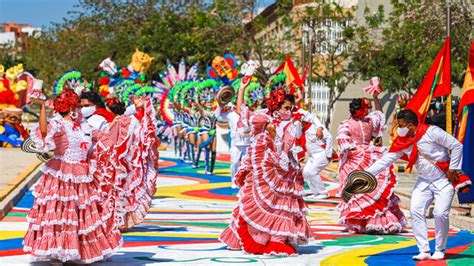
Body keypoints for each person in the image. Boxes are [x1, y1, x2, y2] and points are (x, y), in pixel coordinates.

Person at [24, 90, 122, 263]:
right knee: (61, 215)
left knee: (80, 216)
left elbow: (103, 138)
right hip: (61, 174)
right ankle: (57, 251)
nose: (79, 110)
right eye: (76, 106)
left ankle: (77, 251)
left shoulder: (84, 125)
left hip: (82, 175)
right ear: (69, 108)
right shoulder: (58, 124)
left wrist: (120, 122)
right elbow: (44, 131)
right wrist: (41, 108)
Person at [219, 80, 312, 255]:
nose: (288, 111)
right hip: (266, 168)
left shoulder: (292, 124)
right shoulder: (264, 119)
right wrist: (242, 88)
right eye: (285, 107)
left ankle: (278, 238)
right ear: (276, 106)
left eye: (290, 108)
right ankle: (262, 238)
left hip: (287, 171)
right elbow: (242, 114)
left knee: (284, 204)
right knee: (262, 201)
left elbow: (289, 146)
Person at [366, 109, 463, 261]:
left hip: (443, 179)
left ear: (411, 125)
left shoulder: (432, 132)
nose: (399, 128)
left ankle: (440, 248)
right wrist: (366, 173)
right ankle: (423, 249)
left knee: (440, 213)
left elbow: (457, 146)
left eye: (401, 125)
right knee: (415, 210)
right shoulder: (403, 141)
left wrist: (453, 169)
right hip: (424, 181)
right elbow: (386, 160)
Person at [336, 94, 407, 234]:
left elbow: (343, 143)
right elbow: (380, 115)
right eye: (368, 107)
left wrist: (349, 154)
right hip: (371, 155)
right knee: (372, 189)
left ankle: (363, 221)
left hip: (356, 158)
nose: (370, 109)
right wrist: (375, 97)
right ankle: (376, 220)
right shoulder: (370, 122)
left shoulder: (346, 124)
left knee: (360, 191)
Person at [216, 102, 250, 183]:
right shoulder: (230, 114)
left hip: (247, 143)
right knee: (234, 162)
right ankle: (234, 181)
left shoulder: (249, 113)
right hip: (235, 143)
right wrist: (220, 106)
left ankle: (246, 182)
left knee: (247, 164)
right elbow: (218, 116)